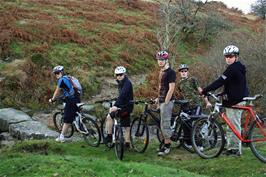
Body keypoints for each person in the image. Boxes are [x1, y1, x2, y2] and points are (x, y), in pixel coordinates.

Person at [201, 45, 249, 156]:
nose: (228, 58)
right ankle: (231, 148)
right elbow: (234, 85)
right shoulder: (238, 67)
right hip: (234, 99)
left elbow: (219, 82)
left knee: (234, 125)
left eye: (230, 56)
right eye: (226, 56)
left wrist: (205, 90)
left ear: (236, 57)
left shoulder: (233, 68)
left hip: (236, 101)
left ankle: (236, 150)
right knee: (230, 125)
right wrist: (223, 93)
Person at [176, 63, 211, 146]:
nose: (183, 72)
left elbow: (200, 91)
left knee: (196, 123)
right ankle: (189, 143)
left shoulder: (192, 80)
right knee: (186, 124)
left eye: (185, 71)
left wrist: (207, 102)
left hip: (196, 104)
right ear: (179, 73)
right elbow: (182, 95)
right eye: (181, 71)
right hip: (186, 106)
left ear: (187, 72)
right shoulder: (179, 84)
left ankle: (199, 145)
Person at [49, 65, 80, 143]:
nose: (56, 75)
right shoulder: (69, 77)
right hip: (77, 98)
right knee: (74, 113)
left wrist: (53, 99)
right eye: (55, 73)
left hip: (71, 100)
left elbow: (57, 91)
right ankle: (80, 125)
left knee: (67, 119)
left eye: (57, 73)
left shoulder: (62, 80)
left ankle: (62, 137)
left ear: (61, 72)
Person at [105, 66, 134, 149]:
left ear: (124, 74)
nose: (119, 76)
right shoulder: (123, 82)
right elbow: (122, 96)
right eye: (117, 75)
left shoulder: (126, 83)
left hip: (124, 107)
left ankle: (109, 136)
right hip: (128, 106)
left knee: (109, 116)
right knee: (126, 125)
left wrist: (115, 106)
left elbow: (122, 95)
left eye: (120, 75)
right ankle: (127, 144)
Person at [155, 50, 176, 156]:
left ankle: (167, 146)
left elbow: (171, 88)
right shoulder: (161, 72)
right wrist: (158, 99)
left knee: (165, 124)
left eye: (162, 60)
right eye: (159, 60)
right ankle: (164, 143)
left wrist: (166, 102)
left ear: (166, 60)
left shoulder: (171, 72)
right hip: (161, 100)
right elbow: (161, 88)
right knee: (161, 124)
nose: (160, 62)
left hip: (167, 101)